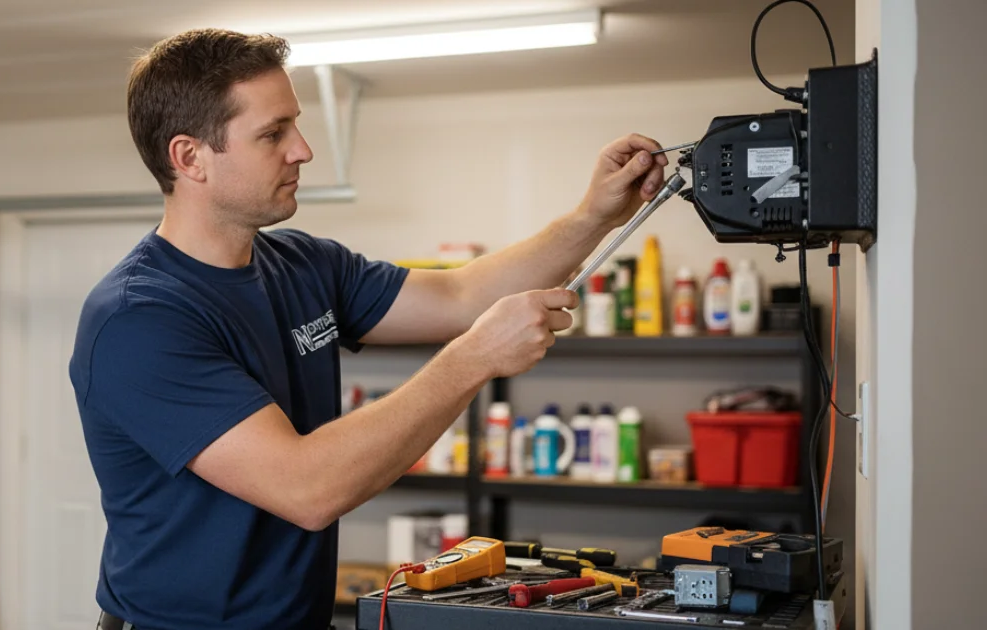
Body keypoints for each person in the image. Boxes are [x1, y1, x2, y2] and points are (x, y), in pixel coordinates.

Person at [69, 27, 668, 630]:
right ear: (189, 157)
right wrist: (473, 359)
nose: (303, 150)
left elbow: (462, 294)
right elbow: (307, 488)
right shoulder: (139, 319)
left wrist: (593, 217)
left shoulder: (303, 264)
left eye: (296, 126)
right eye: (273, 134)